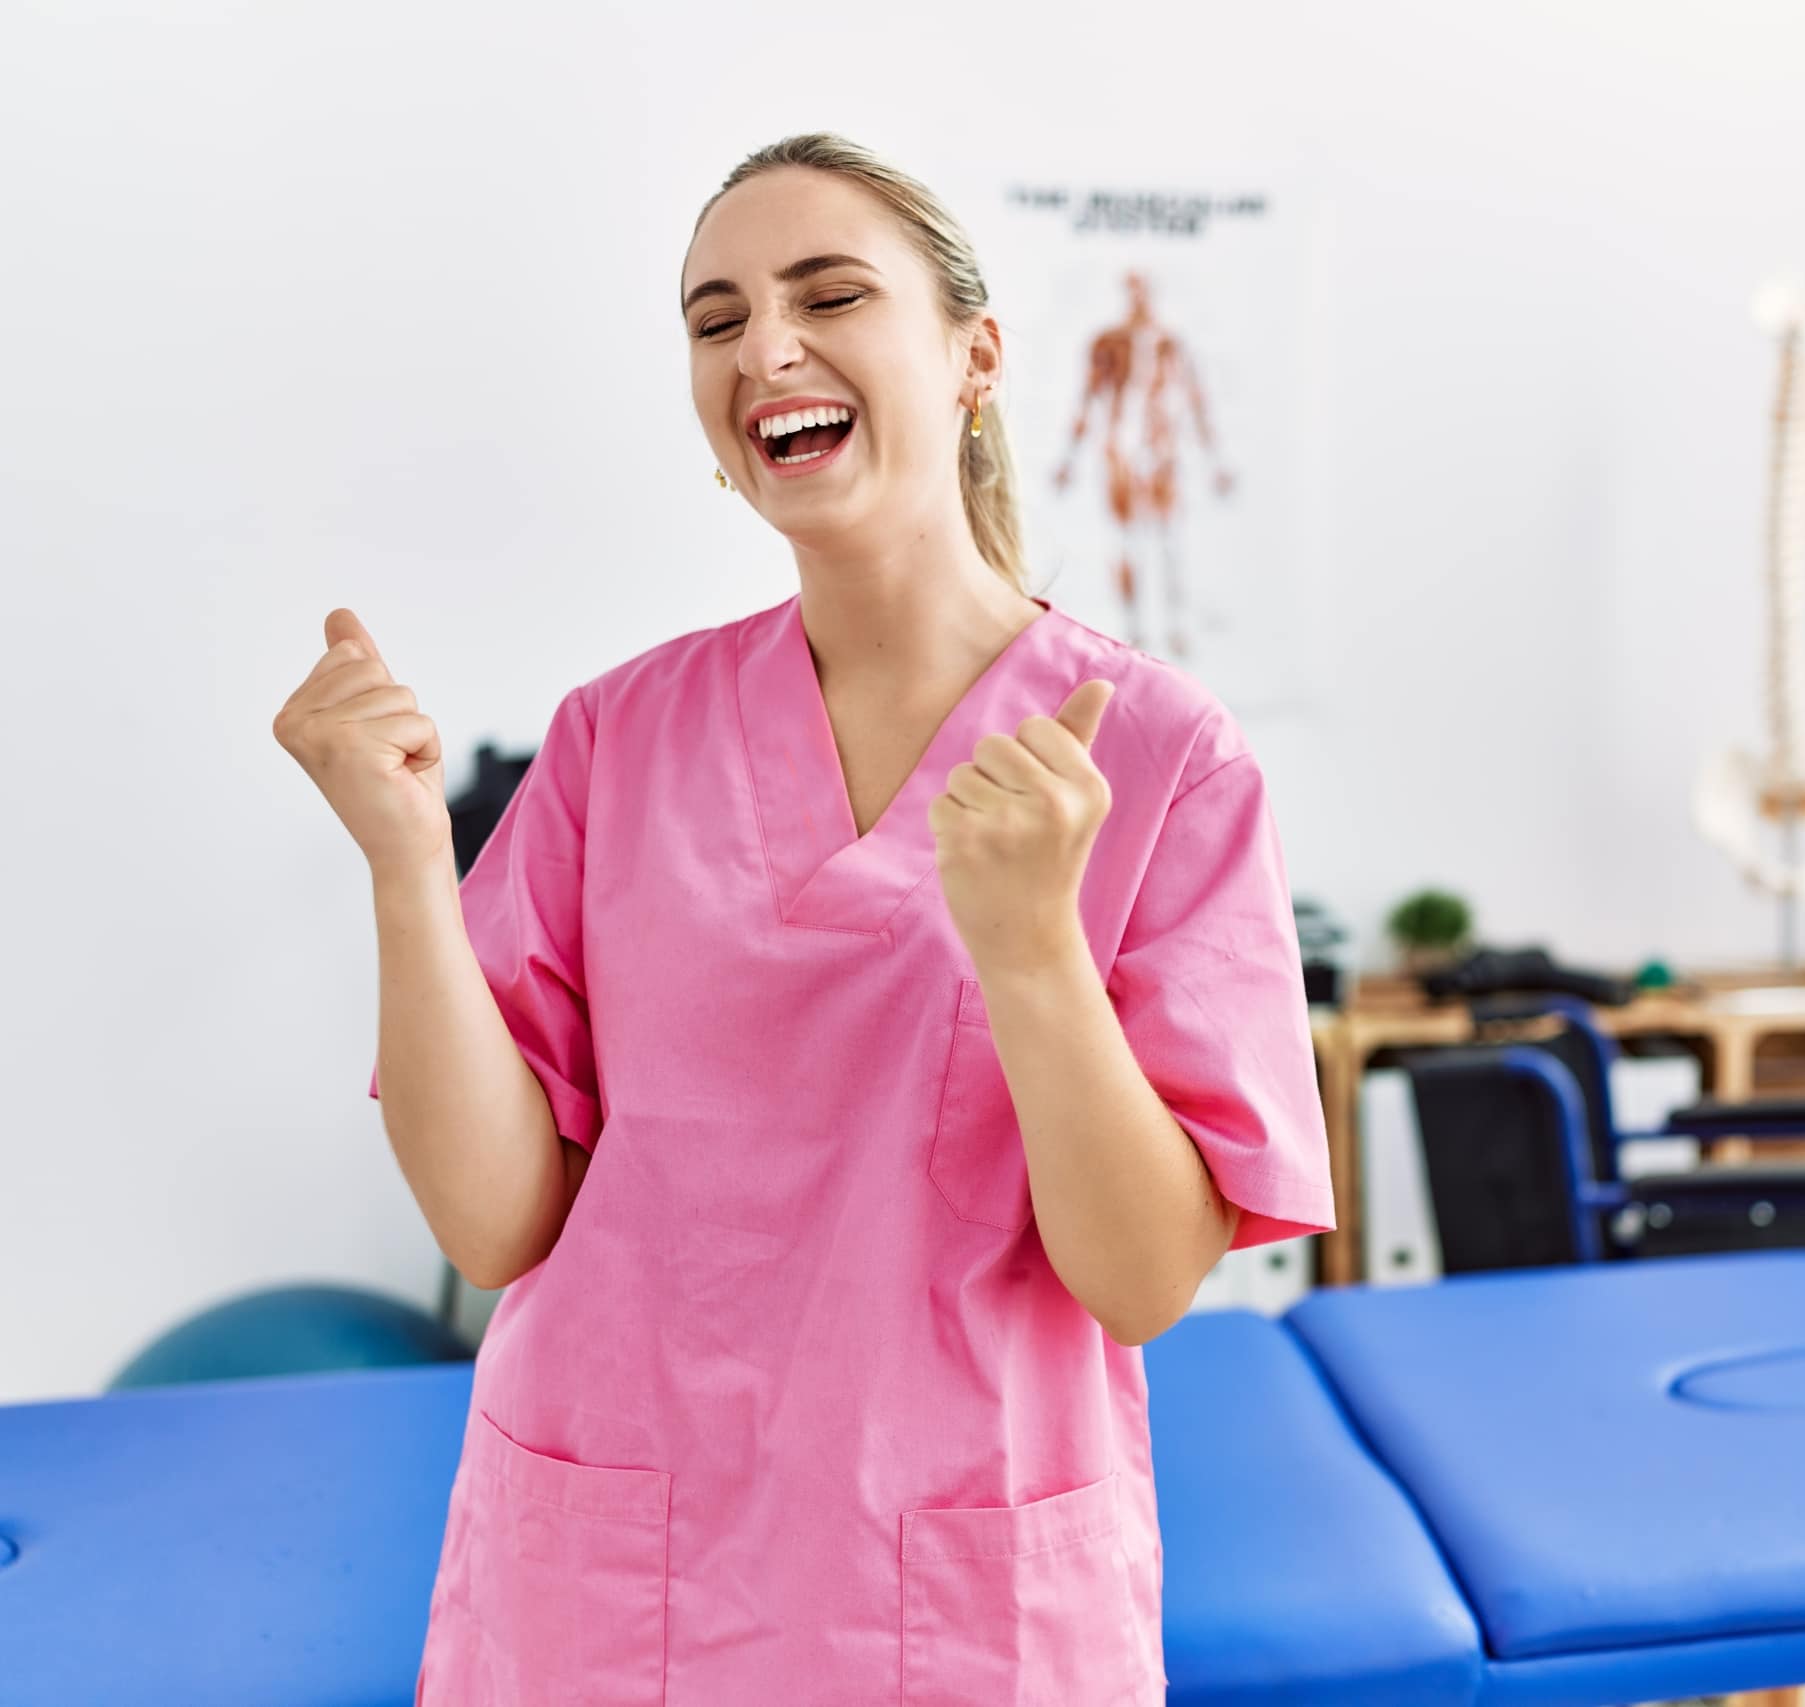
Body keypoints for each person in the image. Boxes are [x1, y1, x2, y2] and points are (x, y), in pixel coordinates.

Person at [271, 131, 1335, 1706]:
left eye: (829, 294)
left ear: (974, 356)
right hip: (608, 1580)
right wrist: (407, 863)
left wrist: (1034, 950)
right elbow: (495, 1225)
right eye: (717, 319)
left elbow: (1143, 1281)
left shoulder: (1157, 756)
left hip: (952, 1595)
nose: (765, 346)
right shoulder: (616, 738)